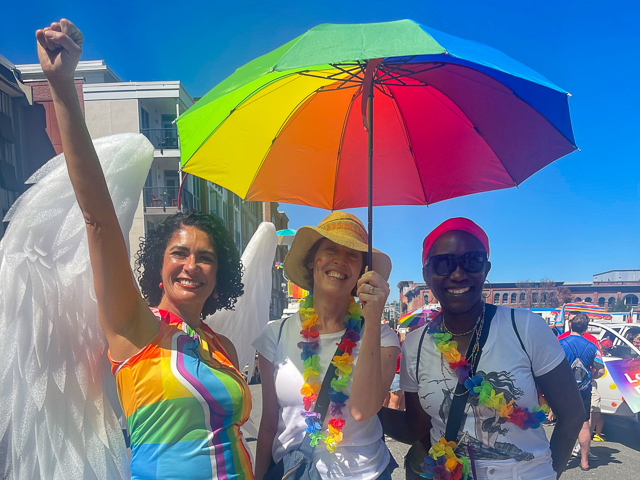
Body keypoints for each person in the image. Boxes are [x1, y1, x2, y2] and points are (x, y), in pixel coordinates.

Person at [36, 20, 253, 479]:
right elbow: (97, 219)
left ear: (221, 274)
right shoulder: (135, 330)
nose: (192, 264)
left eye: (206, 256)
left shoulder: (224, 347)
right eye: (179, 253)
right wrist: (61, 86)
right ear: (158, 265)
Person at [380, 218, 584, 480]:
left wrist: (548, 474)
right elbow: (415, 429)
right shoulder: (416, 344)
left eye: (471, 261)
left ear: (486, 268)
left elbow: (572, 415)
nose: (458, 274)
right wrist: (362, 408)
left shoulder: (525, 328)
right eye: (443, 263)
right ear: (427, 274)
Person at [252, 212, 400, 480]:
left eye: (353, 254)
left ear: (363, 271)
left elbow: (363, 409)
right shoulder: (276, 334)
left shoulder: (383, 337)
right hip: (295, 471)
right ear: (311, 261)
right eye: (331, 249)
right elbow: (269, 425)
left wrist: (373, 318)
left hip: (367, 474)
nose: (340, 261)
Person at [559, 313, 605, 471]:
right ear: (586, 328)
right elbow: (601, 370)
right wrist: (588, 377)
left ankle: (560, 461)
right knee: (584, 426)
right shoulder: (592, 347)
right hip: (584, 390)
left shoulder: (560, 343)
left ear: (570, 325)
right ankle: (584, 461)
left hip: (564, 390)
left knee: (563, 424)